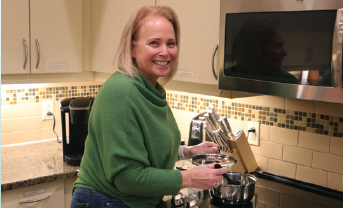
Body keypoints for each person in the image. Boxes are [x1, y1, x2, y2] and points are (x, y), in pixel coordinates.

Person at [70, 5, 227, 208]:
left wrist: (187, 152)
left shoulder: (150, 89)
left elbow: (144, 147)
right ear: (132, 49)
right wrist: (190, 178)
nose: (165, 52)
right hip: (106, 201)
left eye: (171, 43)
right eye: (154, 43)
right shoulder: (122, 92)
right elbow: (127, 177)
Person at [224, 16, 299, 84]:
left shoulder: (287, 81)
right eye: (277, 46)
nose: (285, 53)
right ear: (256, 49)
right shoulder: (225, 78)